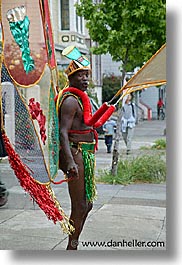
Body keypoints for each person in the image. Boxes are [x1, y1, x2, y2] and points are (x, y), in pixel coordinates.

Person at [56, 58, 97, 250]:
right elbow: (63, 132)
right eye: (80, 75)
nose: (85, 79)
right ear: (71, 78)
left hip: (86, 156)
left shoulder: (80, 99)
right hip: (77, 154)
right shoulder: (71, 101)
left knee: (87, 204)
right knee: (79, 206)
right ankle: (71, 247)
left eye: (87, 75)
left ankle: (74, 244)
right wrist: (70, 161)